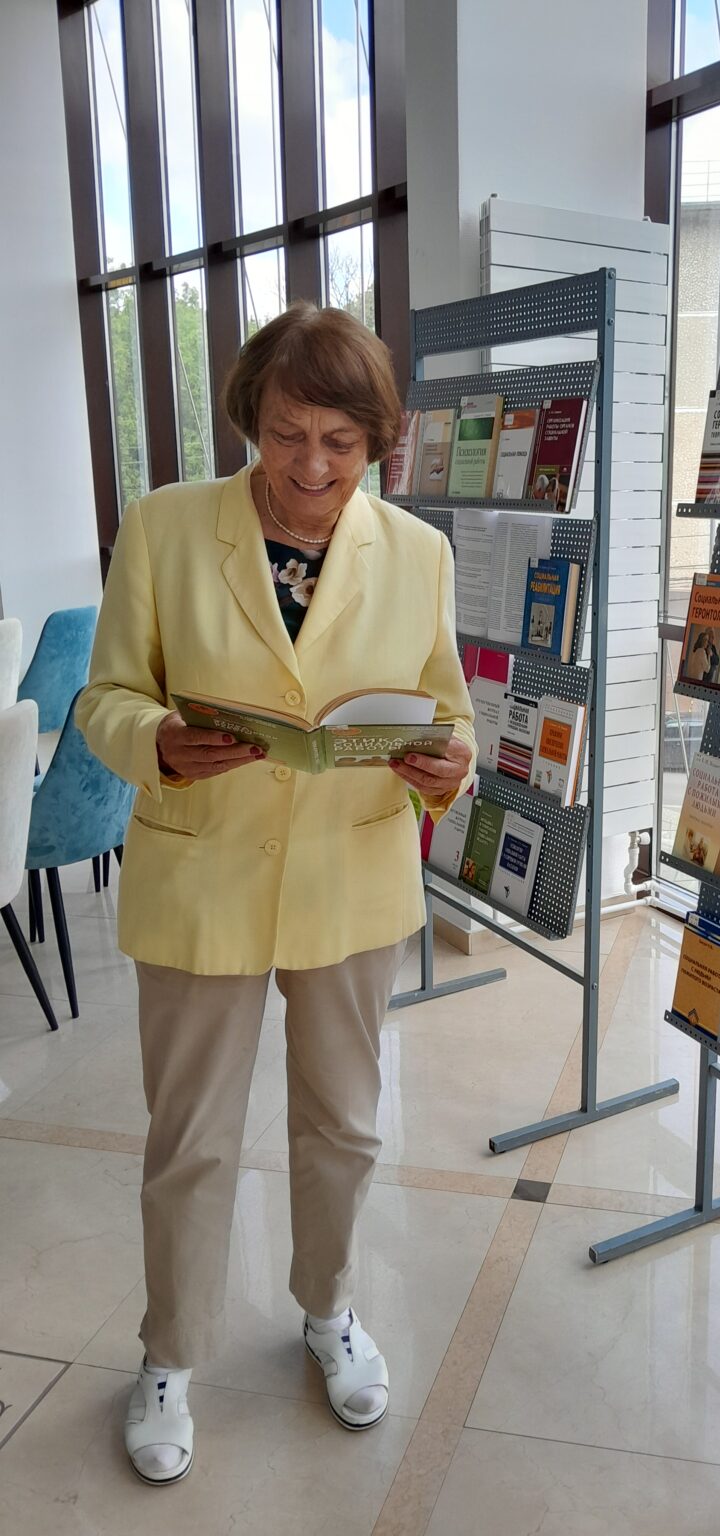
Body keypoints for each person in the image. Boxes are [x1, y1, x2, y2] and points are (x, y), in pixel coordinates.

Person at [77, 302, 476, 1486]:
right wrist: (155, 739)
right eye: (288, 434)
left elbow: (448, 707)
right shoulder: (165, 528)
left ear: (376, 443)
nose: (310, 466)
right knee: (191, 1139)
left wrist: (451, 762)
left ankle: (328, 1307)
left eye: (340, 444)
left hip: (350, 877)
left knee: (345, 1125)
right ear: (252, 416)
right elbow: (105, 697)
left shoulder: (418, 553)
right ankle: (170, 1354)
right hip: (202, 870)